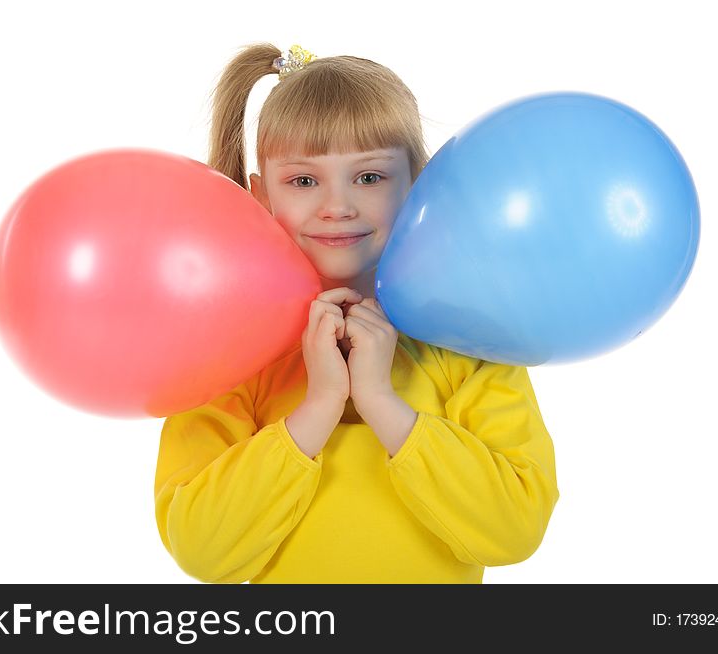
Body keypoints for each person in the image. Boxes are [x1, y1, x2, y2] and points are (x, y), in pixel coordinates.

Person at [154, 43, 559, 583]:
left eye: (369, 177)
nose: (337, 205)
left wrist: (380, 402)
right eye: (303, 180)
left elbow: (514, 531)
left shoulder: (471, 345)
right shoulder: (228, 356)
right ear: (260, 196)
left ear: (418, 187)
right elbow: (203, 551)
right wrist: (319, 405)